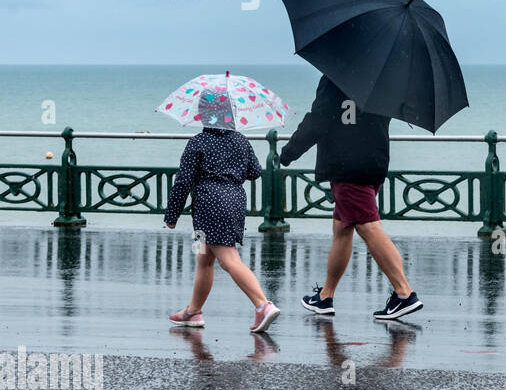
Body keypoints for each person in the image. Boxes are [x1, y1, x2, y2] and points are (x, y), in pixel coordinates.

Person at [278, 75, 423, 321]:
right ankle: (325, 296)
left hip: (346, 166)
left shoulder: (335, 77)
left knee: (367, 226)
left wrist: (289, 152)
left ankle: (404, 293)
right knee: (343, 227)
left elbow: (319, 121)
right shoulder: (383, 78)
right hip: (374, 162)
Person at [164, 88, 280, 333]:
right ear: (230, 113)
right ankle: (193, 312)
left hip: (207, 205)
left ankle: (263, 305)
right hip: (235, 202)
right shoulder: (240, 140)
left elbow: (183, 180)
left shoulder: (198, 142)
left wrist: (171, 215)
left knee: (228, 259)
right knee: (204, 258)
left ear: (204, 114)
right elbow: (255, 172)